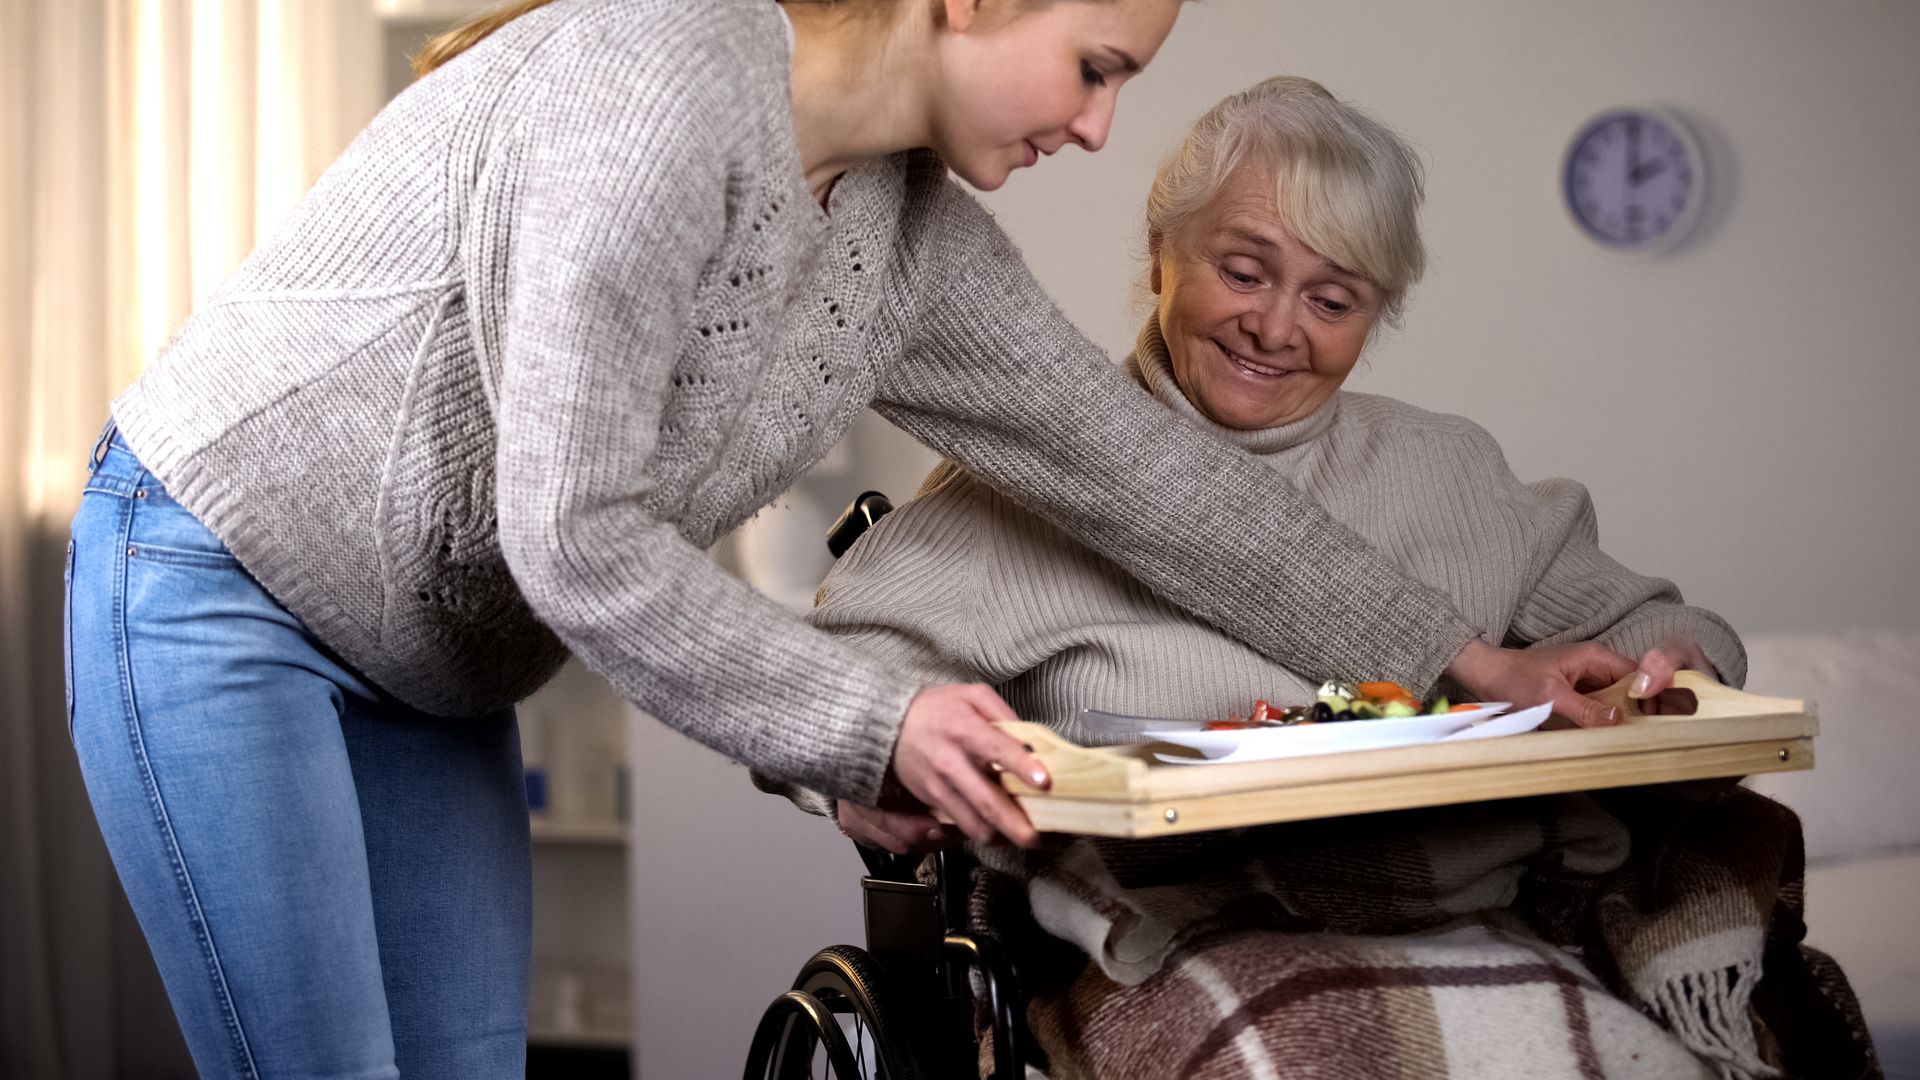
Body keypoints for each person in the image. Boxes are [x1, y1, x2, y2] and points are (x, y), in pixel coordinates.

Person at [66, 2, 1631, 1076]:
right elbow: (578, 534)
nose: (1102, 126)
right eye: (1093, 66)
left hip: (433, 670)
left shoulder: (906, 235)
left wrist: (1459, 655)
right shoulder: (658, 80)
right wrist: (875, 724)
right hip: (219, 580)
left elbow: (1154, 481)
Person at [806, 77, 1875, 1076]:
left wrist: (1675, 664)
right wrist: (873, 768)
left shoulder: (1448, 470)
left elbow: (1661, 626)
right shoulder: (1012, 488)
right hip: (1161, 940)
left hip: (1469, 907)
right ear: (1160, 247)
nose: (1276, 329)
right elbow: (834, 686)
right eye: (1242, 269)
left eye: (1334, 298)